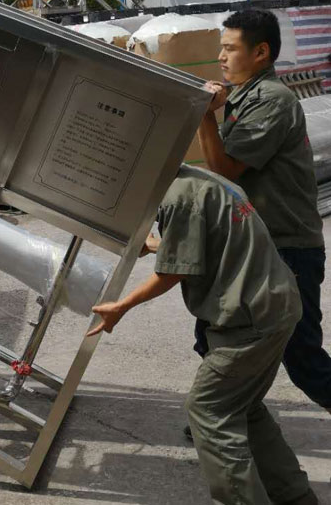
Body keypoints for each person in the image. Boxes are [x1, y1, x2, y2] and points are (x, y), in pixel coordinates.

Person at [88, 165, 317, 505]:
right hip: (275, 307)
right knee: (243, 406)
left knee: (208, 409)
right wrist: (159, 245)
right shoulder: (199, 179)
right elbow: (206, 239)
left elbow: (172, 273)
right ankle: (295, 497)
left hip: (250, 321)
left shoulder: (177, 198)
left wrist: (122, 306)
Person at [198, 9, 331, 413]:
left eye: (230, 48)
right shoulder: (241, 96)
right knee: (214, 336)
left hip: (287, 250)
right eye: (221, 48)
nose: (221, 57)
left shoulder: (271, 100)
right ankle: (221, 418)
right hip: (256, 245)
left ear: (260, 52)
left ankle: (222, 417)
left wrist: (203, 114)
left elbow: (225, 169)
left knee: (303, 357)